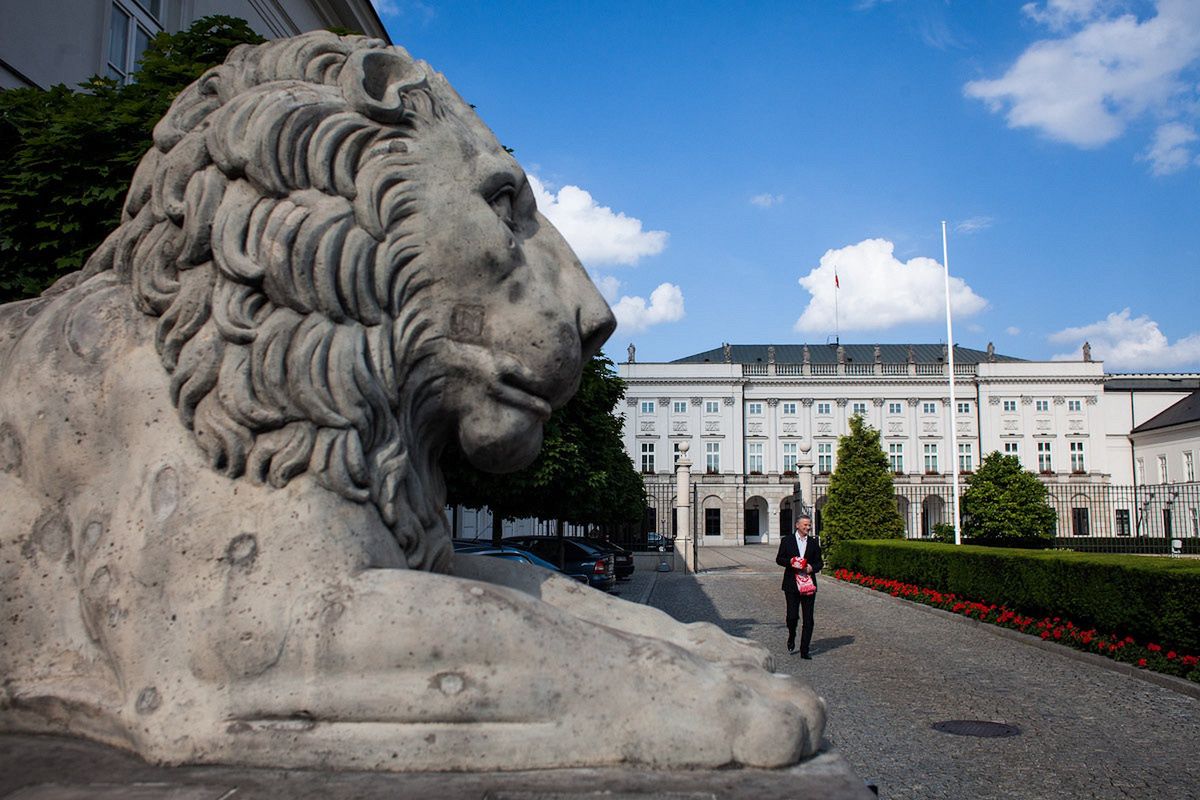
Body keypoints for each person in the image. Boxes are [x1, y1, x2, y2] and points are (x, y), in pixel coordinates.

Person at [775, 515, 823, 658]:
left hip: (808, 584)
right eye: (805, 525)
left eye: (809, 525)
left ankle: (804, 649)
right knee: (792, 616)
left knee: (808, 619)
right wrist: (790, 562)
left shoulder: (814, 543)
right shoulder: (787, 540)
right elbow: (779, 559)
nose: (808, 527)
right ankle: (792, 634)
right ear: (797, 525)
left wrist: (811, 568)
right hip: (791, 583)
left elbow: (820, 563)